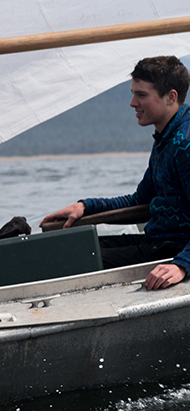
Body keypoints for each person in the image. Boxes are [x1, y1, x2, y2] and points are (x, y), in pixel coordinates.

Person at [40, 56, 190, 290]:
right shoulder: (166, 138)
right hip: (155, 242)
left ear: (171, 97)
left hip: (173, 251)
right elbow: (139, 200)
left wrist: (182, 265)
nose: (132, 102)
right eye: (133, 93)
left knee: (66, 261)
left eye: (141, 95)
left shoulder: (185, 144)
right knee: (65, 249)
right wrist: (86, 206)